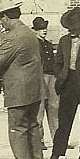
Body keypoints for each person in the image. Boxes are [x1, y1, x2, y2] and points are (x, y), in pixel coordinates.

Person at [0, 0, 46, 159]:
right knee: (33, 127)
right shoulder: (28, 33)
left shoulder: (13, 37)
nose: (1, 23)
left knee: (17, 129)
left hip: (19, 91)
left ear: (5, 17)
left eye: (0, 19)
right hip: (35, 89)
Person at [45, 8, 80, 159]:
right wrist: (61, 78)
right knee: (64, 123)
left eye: (74, 27)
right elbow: (57, 62)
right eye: (69, 28)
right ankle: (55, 157)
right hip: (68, 84)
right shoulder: (64, 41)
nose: (71, 31)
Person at [32, 17, 58, 151]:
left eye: (45, 29)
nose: (44, 31)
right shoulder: (34, 44)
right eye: (41, 29)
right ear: (35, 30)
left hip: (51, 76)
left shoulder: (48, 44)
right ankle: (39, 140)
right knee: (39, 109)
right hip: (40, 77)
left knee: (54, 108)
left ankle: (57, 138)